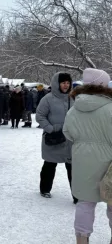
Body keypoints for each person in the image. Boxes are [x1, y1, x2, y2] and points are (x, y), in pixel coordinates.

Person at [63, 68, 112, 244]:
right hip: (109, 162)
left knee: (85, 202)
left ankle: (81, 239)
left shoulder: (74, 109)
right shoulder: (111, 107)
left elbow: (67, 132)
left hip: (82, 160)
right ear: (102, 85)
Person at [36, 72, 77, 203]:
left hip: (70, 139)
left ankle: (77, 195)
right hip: (53, 138)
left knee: (73, 168)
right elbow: (40, 115)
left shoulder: (74, 98)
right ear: (56, 83)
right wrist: (50, 128)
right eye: (63, 82)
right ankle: (45, 189)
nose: (66, 85)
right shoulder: (47, 98)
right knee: (49, 165)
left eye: (68, 82)